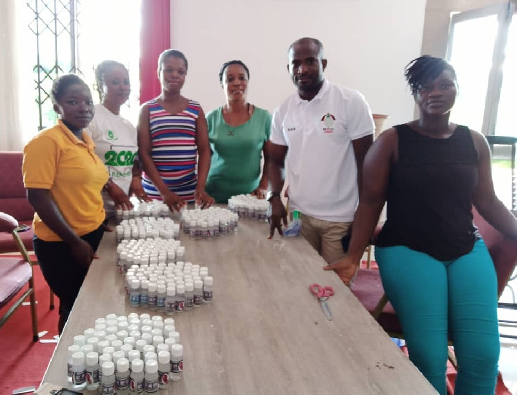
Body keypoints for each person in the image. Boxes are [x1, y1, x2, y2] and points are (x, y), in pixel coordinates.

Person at [326, 55, 517, 394]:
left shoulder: (474, 142)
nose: (435, 92)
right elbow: (371, 202)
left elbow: (487, 201)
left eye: (444, 84)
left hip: (465, 250)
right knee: (429, 359)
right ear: (414, 94)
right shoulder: (392, 142)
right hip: (407, 250)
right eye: (425, 86)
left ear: (457, 87)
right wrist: (354, 256)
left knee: (484, 356)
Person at [23, 74, 125, 333]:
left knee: (90, 304)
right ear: (57, 106)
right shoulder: (46, 142)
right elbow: (37, 196)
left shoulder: (83, 140)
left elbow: (87, 180)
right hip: (61, 245)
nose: (84, 107)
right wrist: (74, 241)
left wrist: (99, 220)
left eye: (88, 102)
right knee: (75, 306)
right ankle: (68, 366)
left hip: (90, 235)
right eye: (73, 101)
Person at [268, 37, 374, 264]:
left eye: (310, 62)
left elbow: (367, 164)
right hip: (298, 215)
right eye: (295, 63)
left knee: (336, 291)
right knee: (301, 282)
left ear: (323, 64)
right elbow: (274, 161)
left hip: (340, 220)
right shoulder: (284, 110)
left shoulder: (350, 101)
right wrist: (274, 196)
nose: (302, 69)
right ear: (288, 68)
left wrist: (364, 217)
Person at [138, 49, 214, 212]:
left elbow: (205, 150)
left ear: (185, 75)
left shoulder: (195, 109)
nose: (174, 75)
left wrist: (200, 187)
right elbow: (144, 154)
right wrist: (164, 192)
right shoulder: (147, 110)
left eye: (180, 71)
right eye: (168, 70)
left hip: (188, 193)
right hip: (155, 194)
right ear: (158, 73)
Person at [86, 60, 147, 221]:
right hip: (93, 211)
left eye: (126, 82)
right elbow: (84, 160)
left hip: (121, 210)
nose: (123, 87)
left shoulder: (128, 126)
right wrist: (110, 186)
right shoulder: (91, 118)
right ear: (100, 85)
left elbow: (133, 161)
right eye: (115, 82)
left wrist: (136, 180)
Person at [205, 60, 272, 204]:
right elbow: (203, 156)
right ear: (222, 85)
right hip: (213, 196)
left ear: (248, 82)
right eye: (230, 79)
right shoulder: (210, 118)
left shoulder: (264, 118)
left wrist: (263, 186)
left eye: (242, 78)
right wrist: (199, 189)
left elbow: (271, 158)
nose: (236, 83)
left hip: (250, 198)